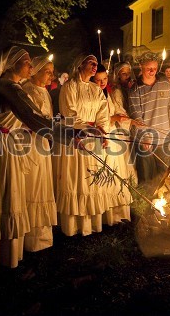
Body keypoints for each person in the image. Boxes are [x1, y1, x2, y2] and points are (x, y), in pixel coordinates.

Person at [0, 46, 74, 269]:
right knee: (3, 195)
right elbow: (33, 118)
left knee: (0, 194)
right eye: (26, 61)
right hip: (1, 147)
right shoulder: (8, 87)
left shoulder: (1, 85)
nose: (30, 65)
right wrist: (69, 135)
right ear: (11, 64)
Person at [55, 53, 111, 236]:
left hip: (93, 136)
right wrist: (87, 128)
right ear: (80, 65)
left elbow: (103, 111)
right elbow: (68, 113)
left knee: (90, 180)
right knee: (76, 179)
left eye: (96, 63)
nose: (95, 66)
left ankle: (91, 224)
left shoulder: (96, 89)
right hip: (76, 138)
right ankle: (73, 226)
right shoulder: (69, 87)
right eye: (91, 63)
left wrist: (103, 131)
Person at [21, 55, 57, 252]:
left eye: (52, 72)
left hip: (43, 142)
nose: (51, 75)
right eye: (47, 71)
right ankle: (30, 237)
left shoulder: (44, 92)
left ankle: (42, 236)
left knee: (43, 183)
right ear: (36, 70)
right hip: (31, 143)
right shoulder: (27, 90)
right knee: (33, 185)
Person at [128, 52, 170, 188]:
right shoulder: (135, 90)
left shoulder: (165, 85)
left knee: (164, 175)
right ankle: (144, 206)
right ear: (141, 67)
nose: (152, 71)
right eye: (148, 68)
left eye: (155, 68)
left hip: (164, 139)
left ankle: (160, 204)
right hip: (146, 141)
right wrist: (145, 137)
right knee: (146, 177)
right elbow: (136, 116)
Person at [93, 65, 137, 225]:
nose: (102, 83)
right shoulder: (93, 95)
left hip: (113, 134)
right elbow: (99, 118)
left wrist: (126, 120)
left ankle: (117, 214)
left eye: (104, 79)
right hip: (102, 136)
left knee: (118, 175)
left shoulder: (108, 94)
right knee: (107, 175)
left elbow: (113, 113)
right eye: (98, 80)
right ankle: (105, 214)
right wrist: (114, 118)